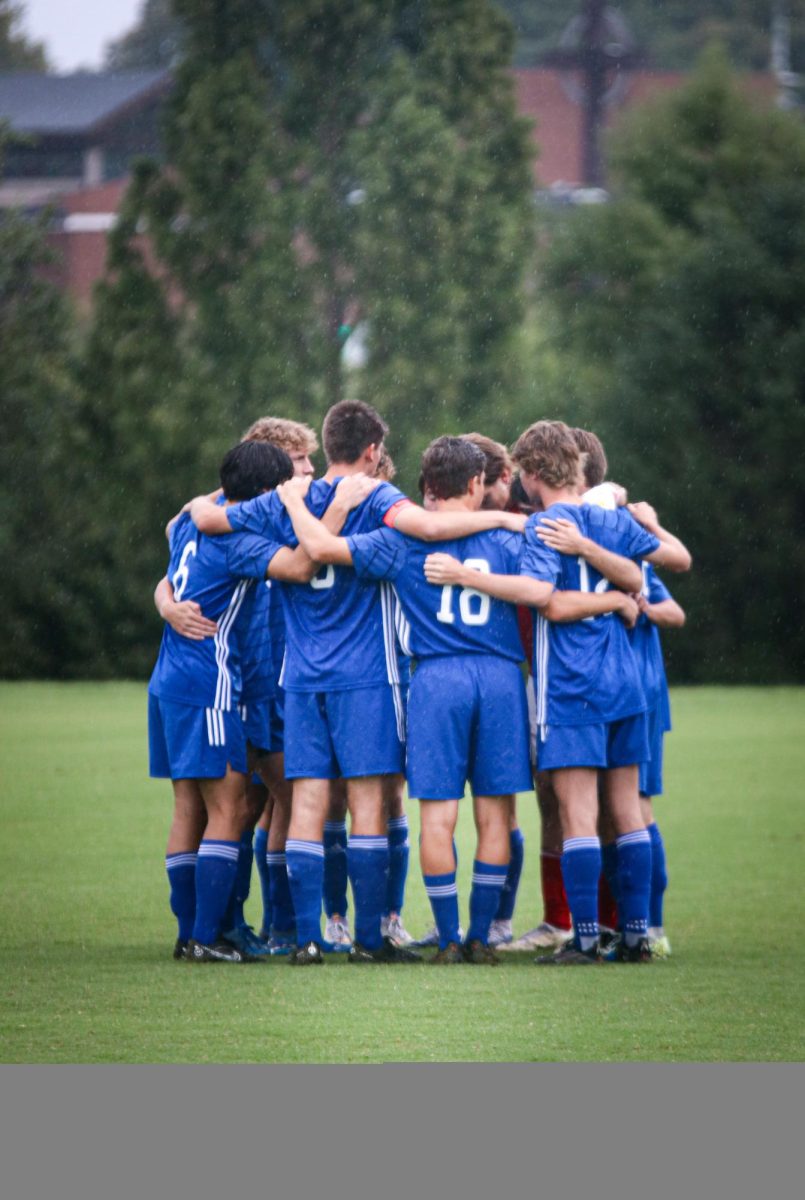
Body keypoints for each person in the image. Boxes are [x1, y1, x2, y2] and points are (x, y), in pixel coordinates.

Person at [279, 436, 642, 964]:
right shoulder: (514, 537)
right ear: (477, 484)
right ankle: (481, 935)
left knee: (438, 817)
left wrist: (301, 505)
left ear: (426, 487)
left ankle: (447, 936)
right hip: (498, 679)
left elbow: (326, 552)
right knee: (496, 814)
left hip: (435, 680)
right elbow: (550, 587)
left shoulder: (400, 542)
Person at [189, 400, 525, 964]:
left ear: (326, 443)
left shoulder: (286, 498)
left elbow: (211, 519)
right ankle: (369, 939)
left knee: (308, 804)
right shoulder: (379, 498)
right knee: (369, 802)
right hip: (368, 677)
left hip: (300, 678)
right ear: (373, 452)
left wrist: (198, 509)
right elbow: (431, 526)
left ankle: (304, 940)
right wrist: (503, 517)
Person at [425, 420, 691, 964]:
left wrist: (466, 575)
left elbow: (550, 602)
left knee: (576, 813)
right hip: (625, 682)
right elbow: (647, 577)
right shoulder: (613, 518)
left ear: (535, 472)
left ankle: (586, 938)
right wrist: (616, 590)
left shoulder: (548, 525)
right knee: (626, 808)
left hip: (573, 683)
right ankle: (638, 934)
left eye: (522, 472)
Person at [150, 440, 318, 963]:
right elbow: (297, 567)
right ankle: (206, 937)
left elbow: (181, 523)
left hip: (167, 682)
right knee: (232, 805)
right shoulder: (238, 542)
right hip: (209, 683)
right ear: (266, 493)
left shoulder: (190, 523)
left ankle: (188, 934)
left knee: (187, 806)